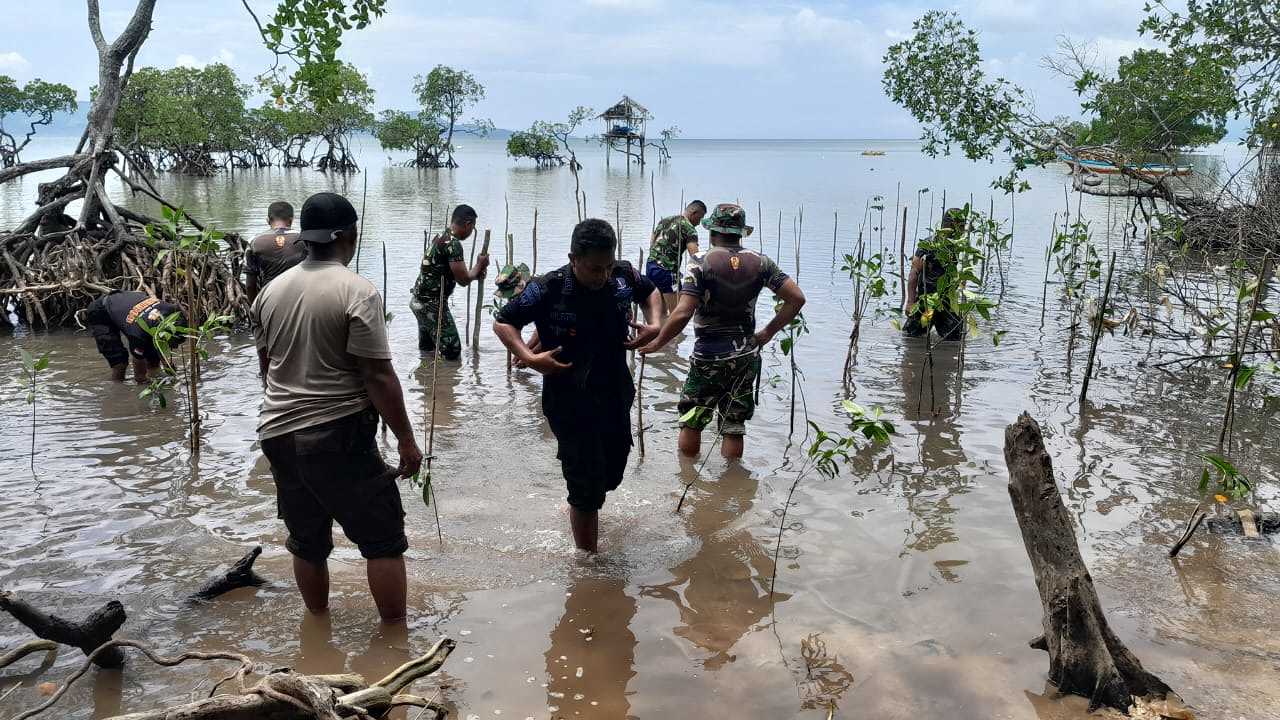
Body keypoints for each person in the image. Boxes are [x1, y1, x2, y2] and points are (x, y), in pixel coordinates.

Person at [252, 191, 423, 623]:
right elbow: (378, 377)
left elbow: (266, 367)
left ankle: (318, 625)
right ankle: (394, 640)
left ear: (305, 238)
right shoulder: (357, 290)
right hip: (335, 434)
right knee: (383, 540)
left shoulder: (270, 293)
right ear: (350, 236)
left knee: (306, 540)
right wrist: (406, 439)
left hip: (277, 433)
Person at [493, 218, 662, 553]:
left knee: (612, 471)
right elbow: (504, 322)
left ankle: (582, 500)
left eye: (606, 267)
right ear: (573, 259)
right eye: (592, 269)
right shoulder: (548, 287)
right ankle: (588, 562)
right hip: (568, 395)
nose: (601, 277)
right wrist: (529, 357)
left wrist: (655, 324)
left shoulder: (622, 276)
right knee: (585, 484)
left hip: (615, 389)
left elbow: (651, 291)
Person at [640, 203, 805, 459]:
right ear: (741, 233)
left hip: (709, 357)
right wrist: (767, 333)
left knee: (692, 419)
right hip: (745, 356)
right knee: (734, 425)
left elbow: (682, 313)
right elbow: (796, 298)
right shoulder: (761, 263)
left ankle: (688, 482)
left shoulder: (700, 264)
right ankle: (733, 483)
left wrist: (658, 342)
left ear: (712, 232)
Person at [410, 204, 490, 360]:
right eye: (472, 228)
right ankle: (443, 380)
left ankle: (426, 378)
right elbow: (464, 280)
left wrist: (476, 271)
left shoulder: (440, 236)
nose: (471, 232)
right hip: (432, 305)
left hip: (419, 301)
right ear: (468, 224)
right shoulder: (452, 244)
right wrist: (480, 265)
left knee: (427, 349)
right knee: (452, 351)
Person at [84, 290, 185, 383]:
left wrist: (167, 366)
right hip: (101, 312)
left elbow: (161, 342)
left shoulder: (173, 310)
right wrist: (146, 384)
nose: (175, 347)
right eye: (174, 344)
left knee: (153, 361)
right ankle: (117, 391)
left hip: (124, 303)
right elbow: (139, 377)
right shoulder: (138, 335)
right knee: (119, 363)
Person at [904, 208, 966, 341]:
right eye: (961, 227)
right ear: (950, 226)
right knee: (911, 338)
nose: (963, 231)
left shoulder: (956, 246)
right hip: (927, 302)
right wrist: (910, 301)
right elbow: (914, 273)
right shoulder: (929, 245)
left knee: (955, 337)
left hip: (946, 302)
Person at [647, 200, 707, 313]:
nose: (699, 223)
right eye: (700, 218)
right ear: (693, 212)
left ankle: (661, 330)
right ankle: (678, 332)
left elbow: (652, 243)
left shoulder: (664, 221)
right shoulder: (689, 229)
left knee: (660, 314)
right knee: (678, 314)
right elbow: (695, 256)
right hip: (667, 272)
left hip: (651, 267)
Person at [245, 201, 305, 302]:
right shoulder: (304, 239)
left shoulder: (254, 242)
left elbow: (250, 286)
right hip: (299, 300)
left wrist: (254, 309)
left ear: (268, 220)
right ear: (291, 220)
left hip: (269, 300)